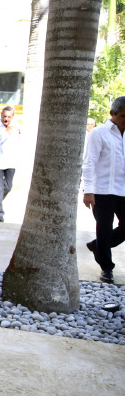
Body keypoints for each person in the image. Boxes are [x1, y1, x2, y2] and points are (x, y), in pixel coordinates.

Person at [82, 96, 125, 284]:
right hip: (102, 190)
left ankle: (98, 245)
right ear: (112, 113)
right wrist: (88, 191)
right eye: (123, 116)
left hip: (123, 190)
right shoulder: (98, 133)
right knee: (104, 229)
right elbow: (89, 162)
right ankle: (107, 268)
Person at [0, 106, 20, 222]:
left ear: (13, 117)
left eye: (9, 117)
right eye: (4, 116)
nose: (6, 119)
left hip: (11, 161)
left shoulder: (16, 127)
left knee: (8, 187)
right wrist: (6, 132)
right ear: (1, 115)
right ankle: (0, 212)